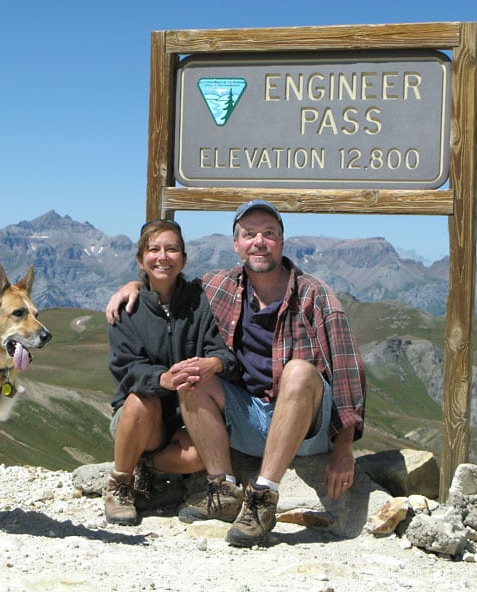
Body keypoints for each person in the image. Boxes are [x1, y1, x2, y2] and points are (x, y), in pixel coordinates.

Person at [106, 200, 365, 546]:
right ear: (237, 244)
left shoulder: (315, 296)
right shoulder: (218, 287)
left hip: (305, 424)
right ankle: (223, 491)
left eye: (268, 234)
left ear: (282, 242)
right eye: (249, 234)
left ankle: (263, 498)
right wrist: (134, 286)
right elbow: (165, 280)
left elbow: (349, 370)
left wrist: (344, 448)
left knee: (300, 372)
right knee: (194, 374)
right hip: (246, 416)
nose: (259, 241)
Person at [105, 218, 238, 526]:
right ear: (141, 260)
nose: (163, 257)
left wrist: (214, 364)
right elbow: (125, 369)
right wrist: (161, 379)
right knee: (143, 400)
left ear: (184, 258)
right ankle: (120, 485)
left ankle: (145, 468)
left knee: (198, 456)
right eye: (154, 250)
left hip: (185, 419)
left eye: (172, 249)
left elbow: (224, 353)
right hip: (137, 417)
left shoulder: (201, 301)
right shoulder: (126, 309)